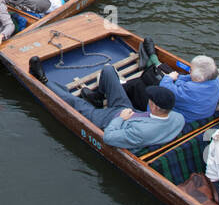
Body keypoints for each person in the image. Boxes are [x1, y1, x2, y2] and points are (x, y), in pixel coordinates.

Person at [52, 62, 185, 153]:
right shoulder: (178, 118)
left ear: (155, 107)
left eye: (150, 99)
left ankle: (45, 82)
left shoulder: (141, 131)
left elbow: (108, 137)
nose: (148, 99)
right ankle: (98, 96)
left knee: (76, 103)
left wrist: (120, 119)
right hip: (129, 111)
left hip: (110, 120)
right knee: (109, 70)